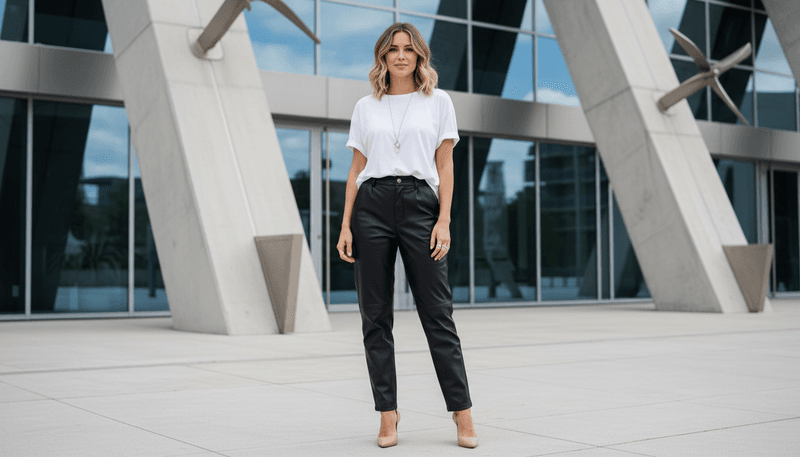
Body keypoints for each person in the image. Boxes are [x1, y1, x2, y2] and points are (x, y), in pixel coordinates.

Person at [336, 22, 478, 449]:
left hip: (421, 204)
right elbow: (356, 170)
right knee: (374, 317)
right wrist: (345, 224)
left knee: (438, 313)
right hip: (372, 205)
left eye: (408, 49)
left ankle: (462, 412)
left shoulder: (439, 102)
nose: (400, 56)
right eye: (393, 49)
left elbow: (447, 166)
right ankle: (387, 414)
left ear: (419, 56)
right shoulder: (366, 106)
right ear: (383, 56)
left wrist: (445, 220)